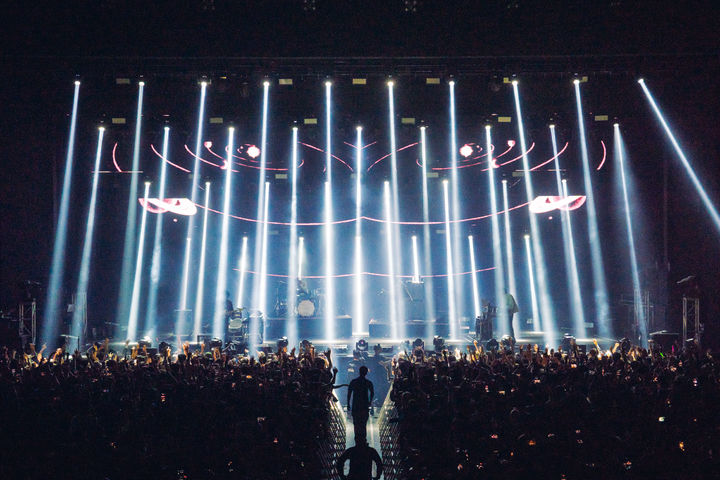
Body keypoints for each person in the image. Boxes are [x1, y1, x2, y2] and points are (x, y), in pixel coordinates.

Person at [347, 365, 374, 444]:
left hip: (356, 405)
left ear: (359, 372)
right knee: (363, 424)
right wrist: (370, 402)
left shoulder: (353, 381)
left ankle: (357, 440)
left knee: (356, 423)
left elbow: (349, 393)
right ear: (366, 373)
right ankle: (363, 440)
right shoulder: (368, 382)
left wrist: (348, 403)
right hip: (364, 405)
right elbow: (372, 392)